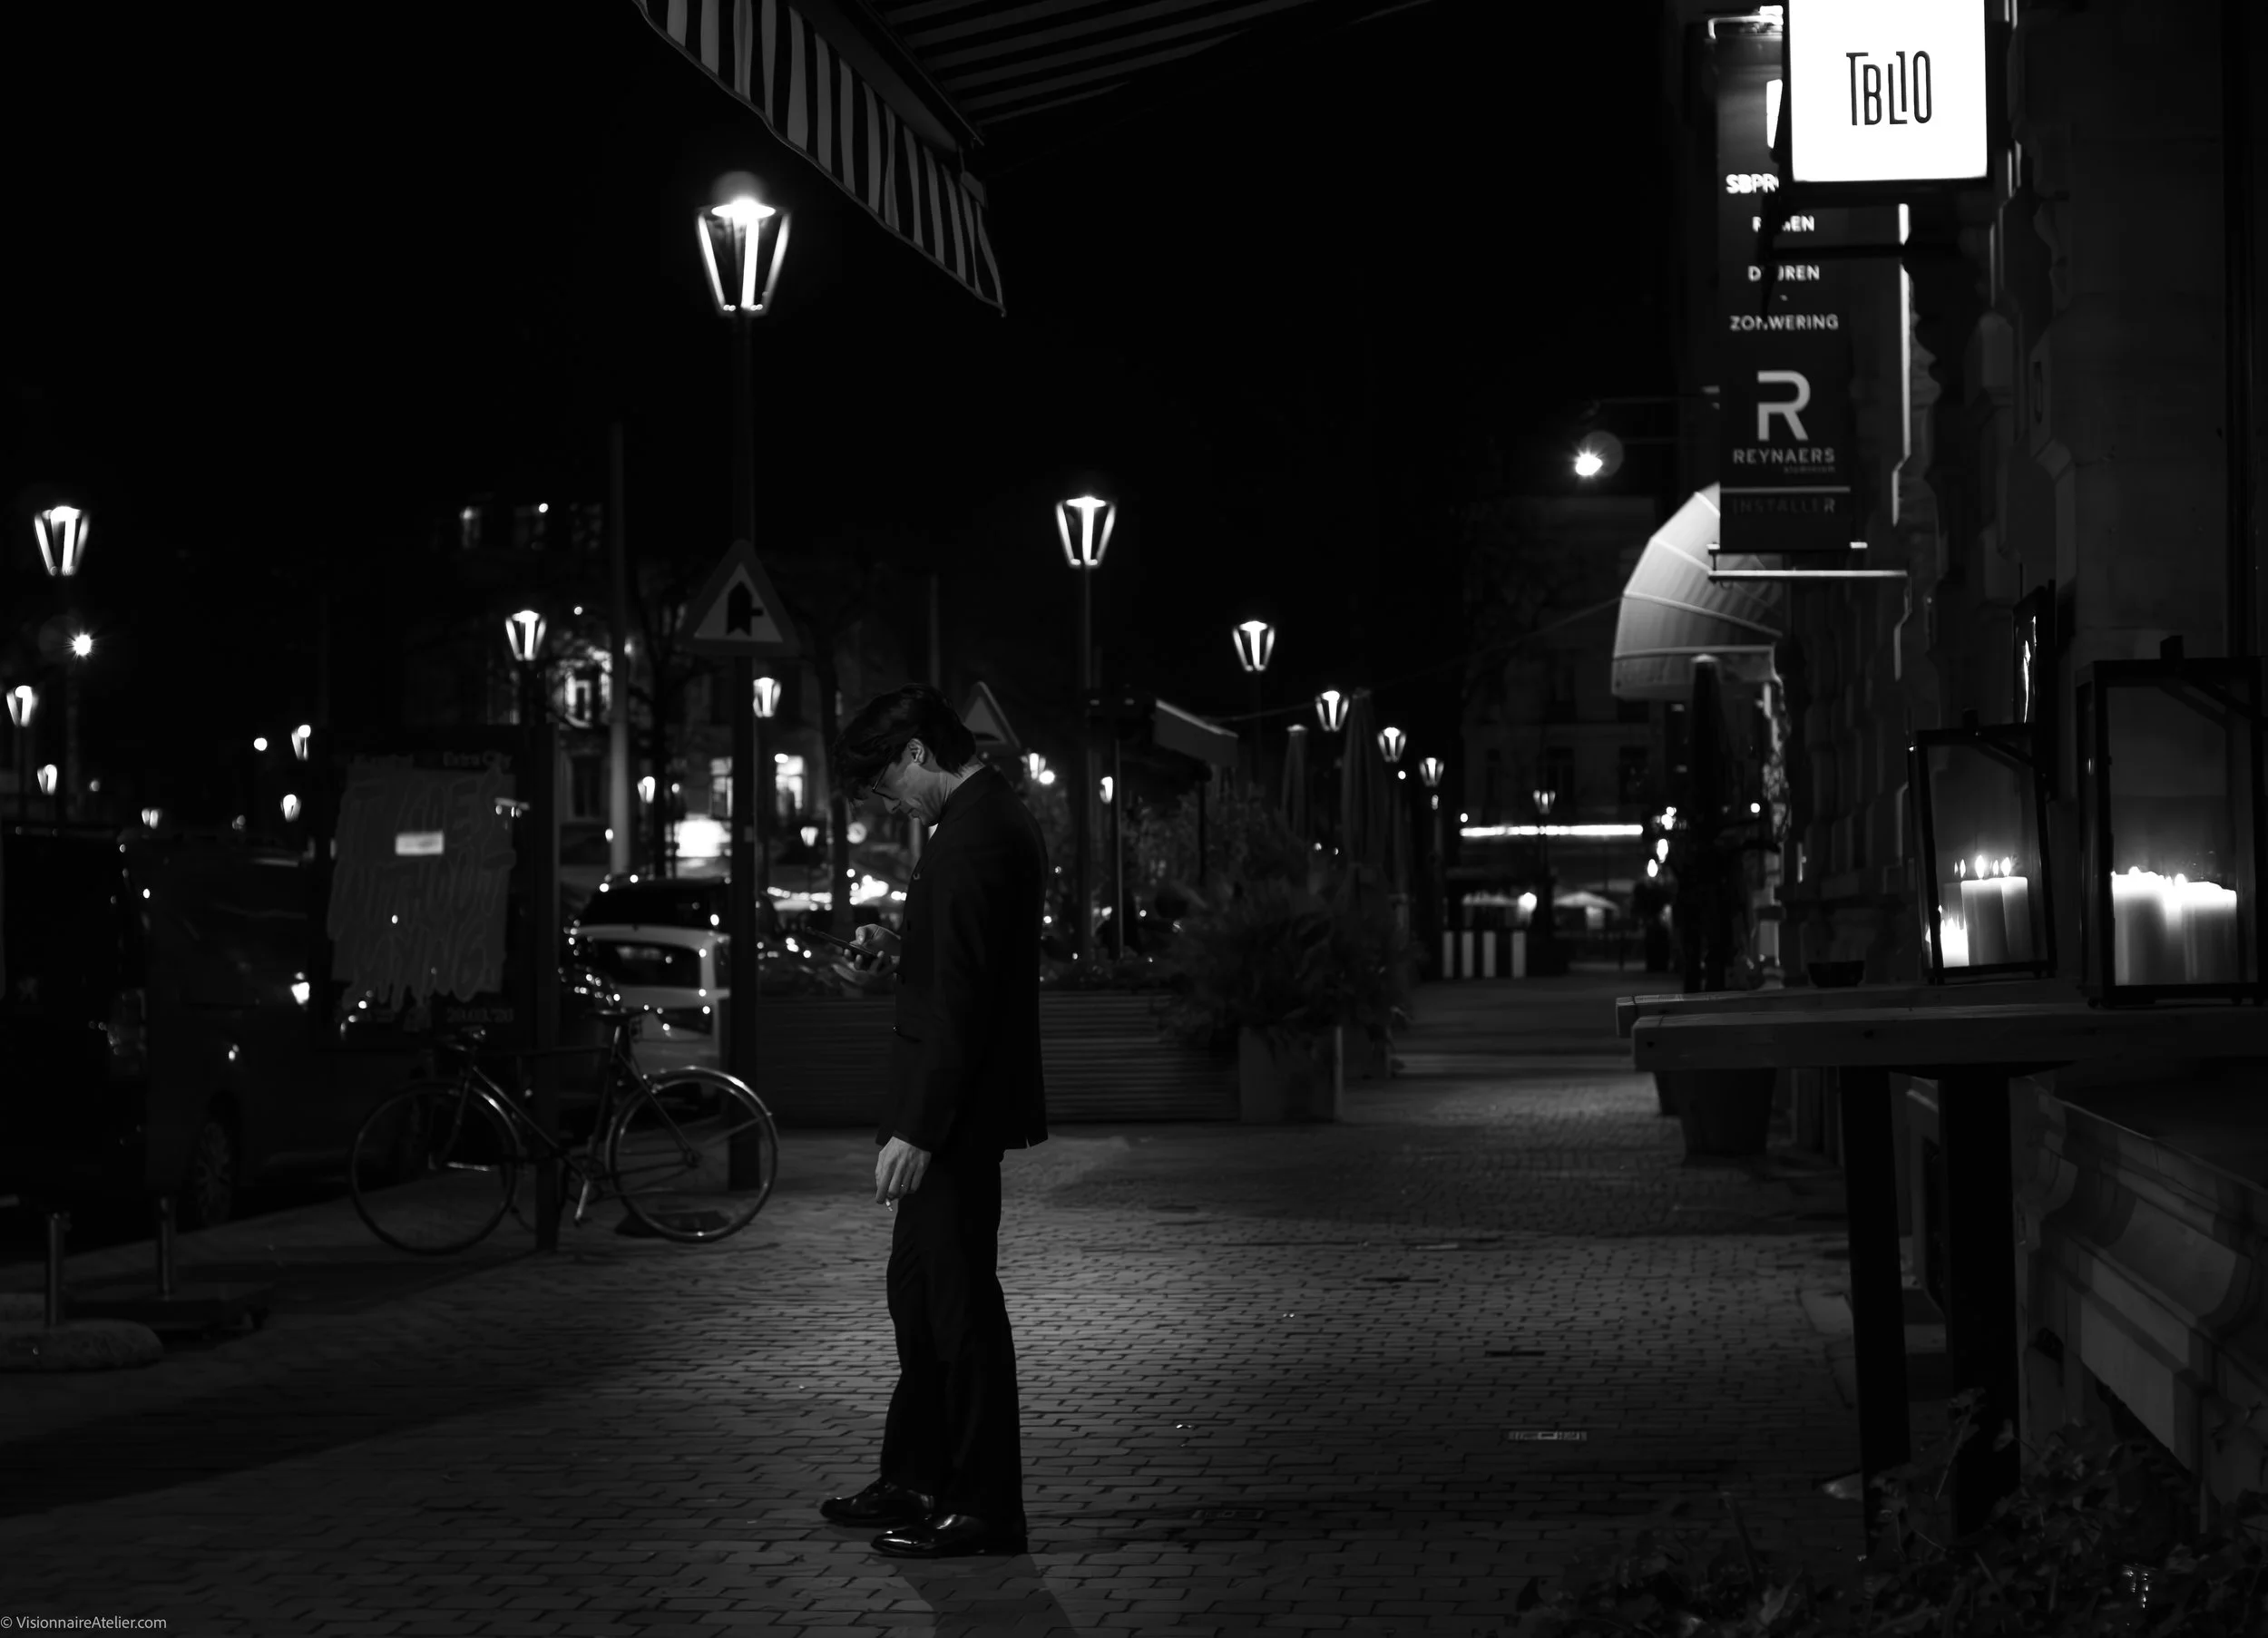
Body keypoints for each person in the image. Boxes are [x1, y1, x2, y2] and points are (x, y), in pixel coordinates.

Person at [816, 685, 1048, 1558]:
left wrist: (917, 1128)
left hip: (952, 1115)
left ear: (917, 753)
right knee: (919, 1298)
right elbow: (958, 968)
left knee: (958, 1309)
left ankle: (984, 1504)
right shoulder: (979, 822)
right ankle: (917, 1475)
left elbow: (963, 1004)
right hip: (952, 1105)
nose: (889, 803)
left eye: (886, 785)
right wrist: (899, 948)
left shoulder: (975, 835)